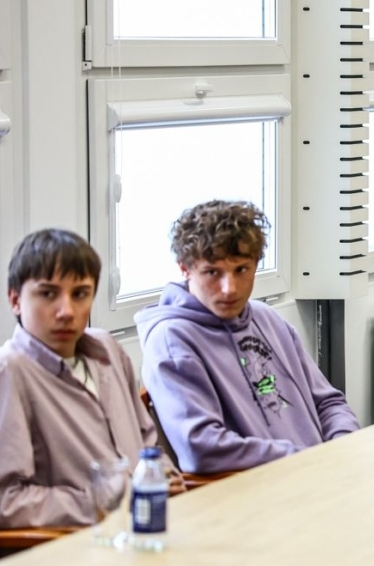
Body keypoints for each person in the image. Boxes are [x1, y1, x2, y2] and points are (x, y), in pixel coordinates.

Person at [136, 200, 360, 475]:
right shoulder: (171, 340)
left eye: (241, 270)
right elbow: (202, 448)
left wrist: (343, 444)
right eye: (212, 272)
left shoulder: (267, 318)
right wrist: (305, 459)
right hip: (261, 488)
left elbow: (328, 403)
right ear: (185, 268)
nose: (229, 289)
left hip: (320, 473)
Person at [0, 230, 158, 528]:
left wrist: (162, 478)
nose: (67, 311)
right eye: (48, 294)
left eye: (80, 294)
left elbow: (146, 438)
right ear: (15, 300)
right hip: (77, 542)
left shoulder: (107, 349)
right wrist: (104, 500)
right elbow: (4, 502)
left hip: (144, 525)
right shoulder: (8, 372)